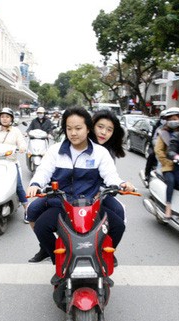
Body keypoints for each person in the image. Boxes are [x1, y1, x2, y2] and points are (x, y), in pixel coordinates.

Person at [26, 106, 135, 264]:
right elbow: (43, 171)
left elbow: (111, 176)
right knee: (41, 226)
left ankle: (103, 255)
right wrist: (35, 184)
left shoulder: (100, 153)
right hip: (62, 204)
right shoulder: (55, 150)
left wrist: (121, 184)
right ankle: (58, 260)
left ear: (88, 129)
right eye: (69, 128)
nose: (73, 133)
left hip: (91, 205)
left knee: (118, 225)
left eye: (78, 128)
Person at [154, 107, 179, 222]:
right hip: (168, 167)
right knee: (171, 181)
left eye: (175, 119)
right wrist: (168, 162)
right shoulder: (163, 133)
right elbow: (158, 151)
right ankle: (168, 208)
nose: (173, 121)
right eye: (171, 119)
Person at [142, 109, 168, 187]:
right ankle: (147, 175)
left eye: (167, 118)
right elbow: (154, 138)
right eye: (163, 118)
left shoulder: (176, 129)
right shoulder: (158, 128)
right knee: (151, 156)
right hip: (158, 148)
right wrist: (157, 146)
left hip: (169, 150)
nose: (165, 120)